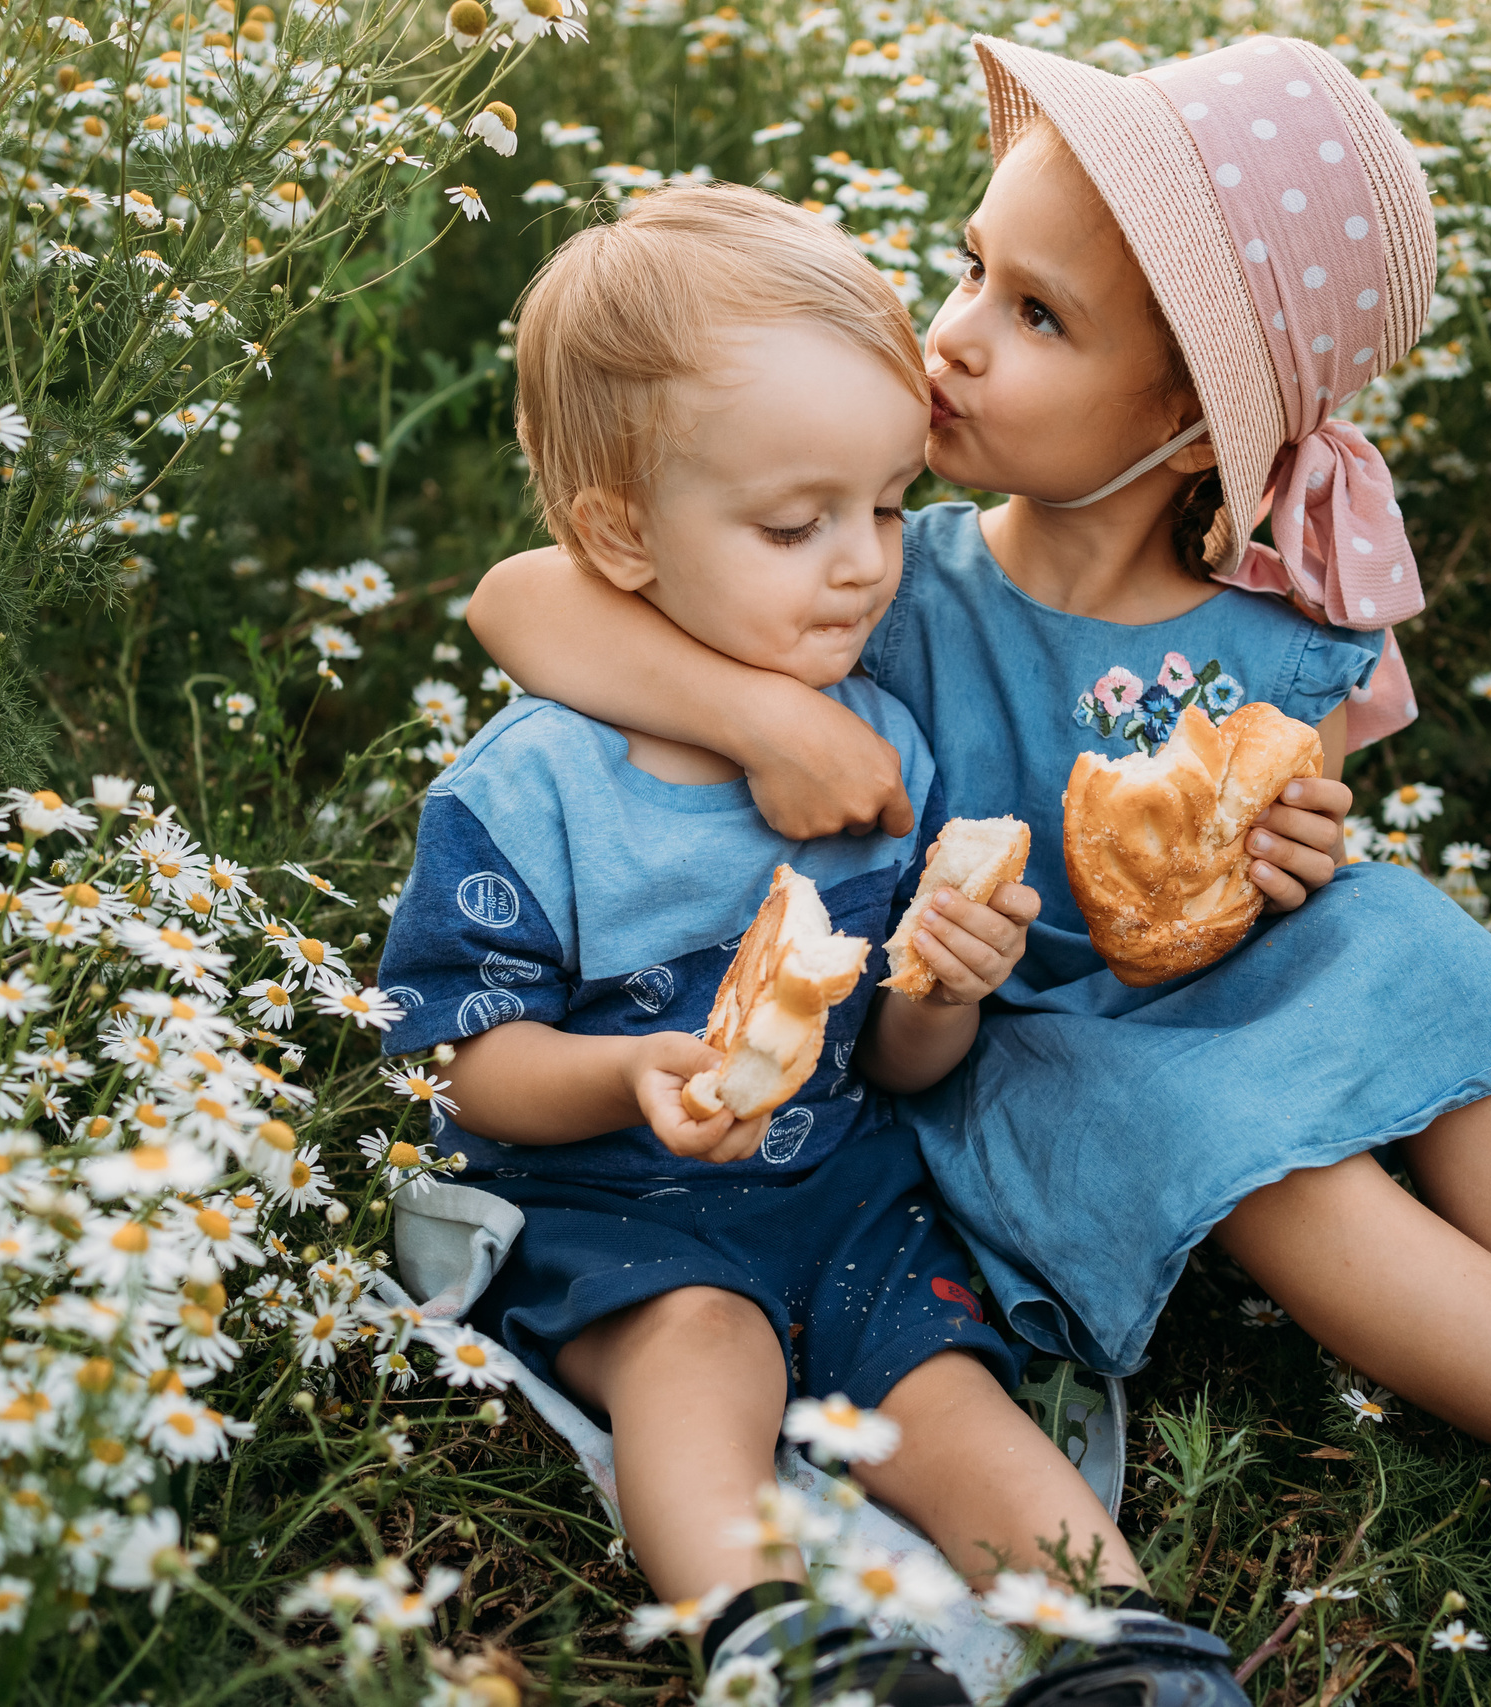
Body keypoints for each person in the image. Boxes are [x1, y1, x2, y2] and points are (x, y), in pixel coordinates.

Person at [465, 35, 1491, 1705]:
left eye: (1037, 315)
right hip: (1003, 1051)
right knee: (1269, 1150)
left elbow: (1258, 887)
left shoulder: (1279, 635)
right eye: (972, 267)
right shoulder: (883, 576)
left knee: (1411, 955)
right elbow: (525, 597)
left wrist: (1294, 855)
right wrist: (760, 717)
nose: (954, 334)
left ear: (1185, 420)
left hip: (1190, 1010)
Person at [378, 182, 1246, 1707]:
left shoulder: (886, 745)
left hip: (844, 1193)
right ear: (620, 536)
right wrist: (629, 1073)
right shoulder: (535, 790)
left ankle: (1118, 1640)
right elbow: (463, 1071)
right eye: (795, 526)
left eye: (889, 509)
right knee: (698, 1345)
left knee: (946, 1388)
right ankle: (769, 1633)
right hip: (609, 1203)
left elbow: (897, 1066)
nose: (862, 565)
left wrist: (943, 988)